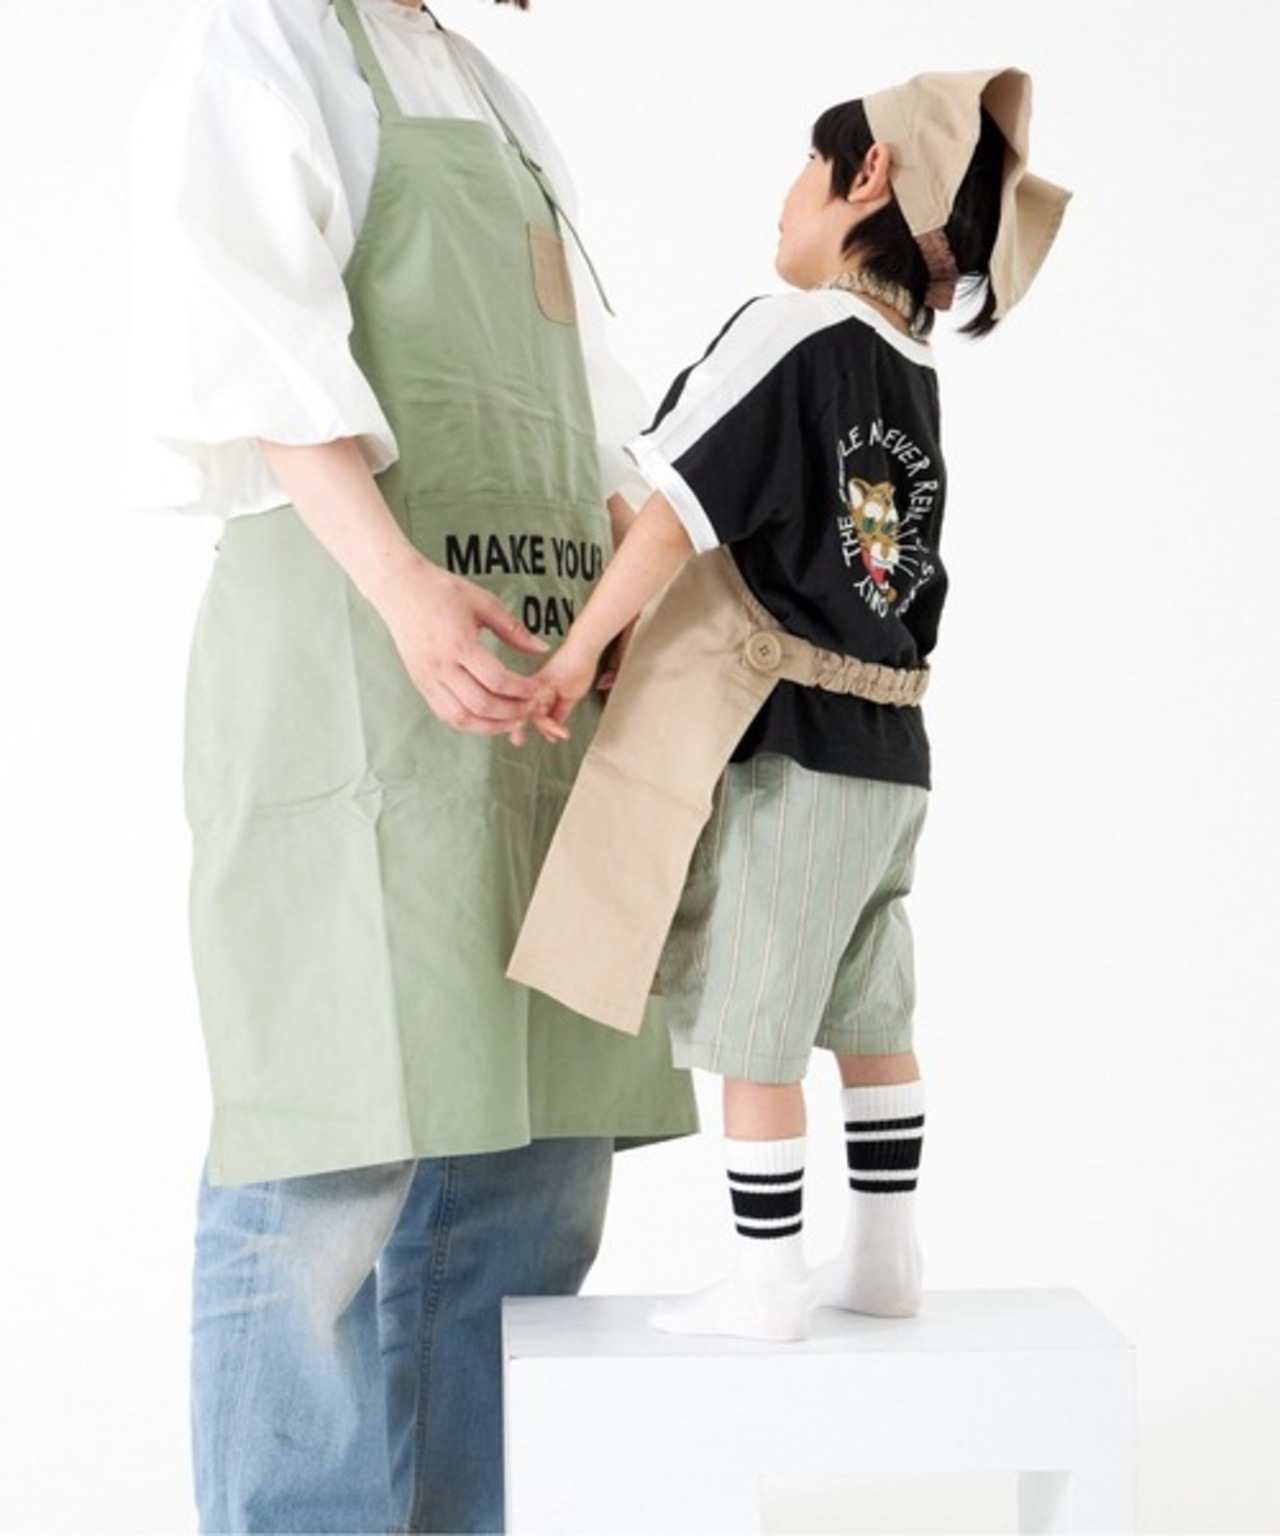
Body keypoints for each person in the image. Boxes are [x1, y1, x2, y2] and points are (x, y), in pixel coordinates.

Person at [126, 0, 696, 1530]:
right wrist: (397, 582)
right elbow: (251, 349)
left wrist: (622, 597)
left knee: (535, 1171)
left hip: (541, 684)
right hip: (354, 680)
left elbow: (588, 400)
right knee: (327, 1162)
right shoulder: (262, 43)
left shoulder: (497, 100)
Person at [510, 69, 1070, 1343]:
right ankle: (884, 1257)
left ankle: (766, 1276)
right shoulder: (908, 373)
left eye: (804, 165)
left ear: (864, 176)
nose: (784, 195)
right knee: (869, 1008)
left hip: (792, 752)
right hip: (892, 754)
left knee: (753, 1022)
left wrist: (574, 654)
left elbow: (671, 514)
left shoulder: (792, 330)